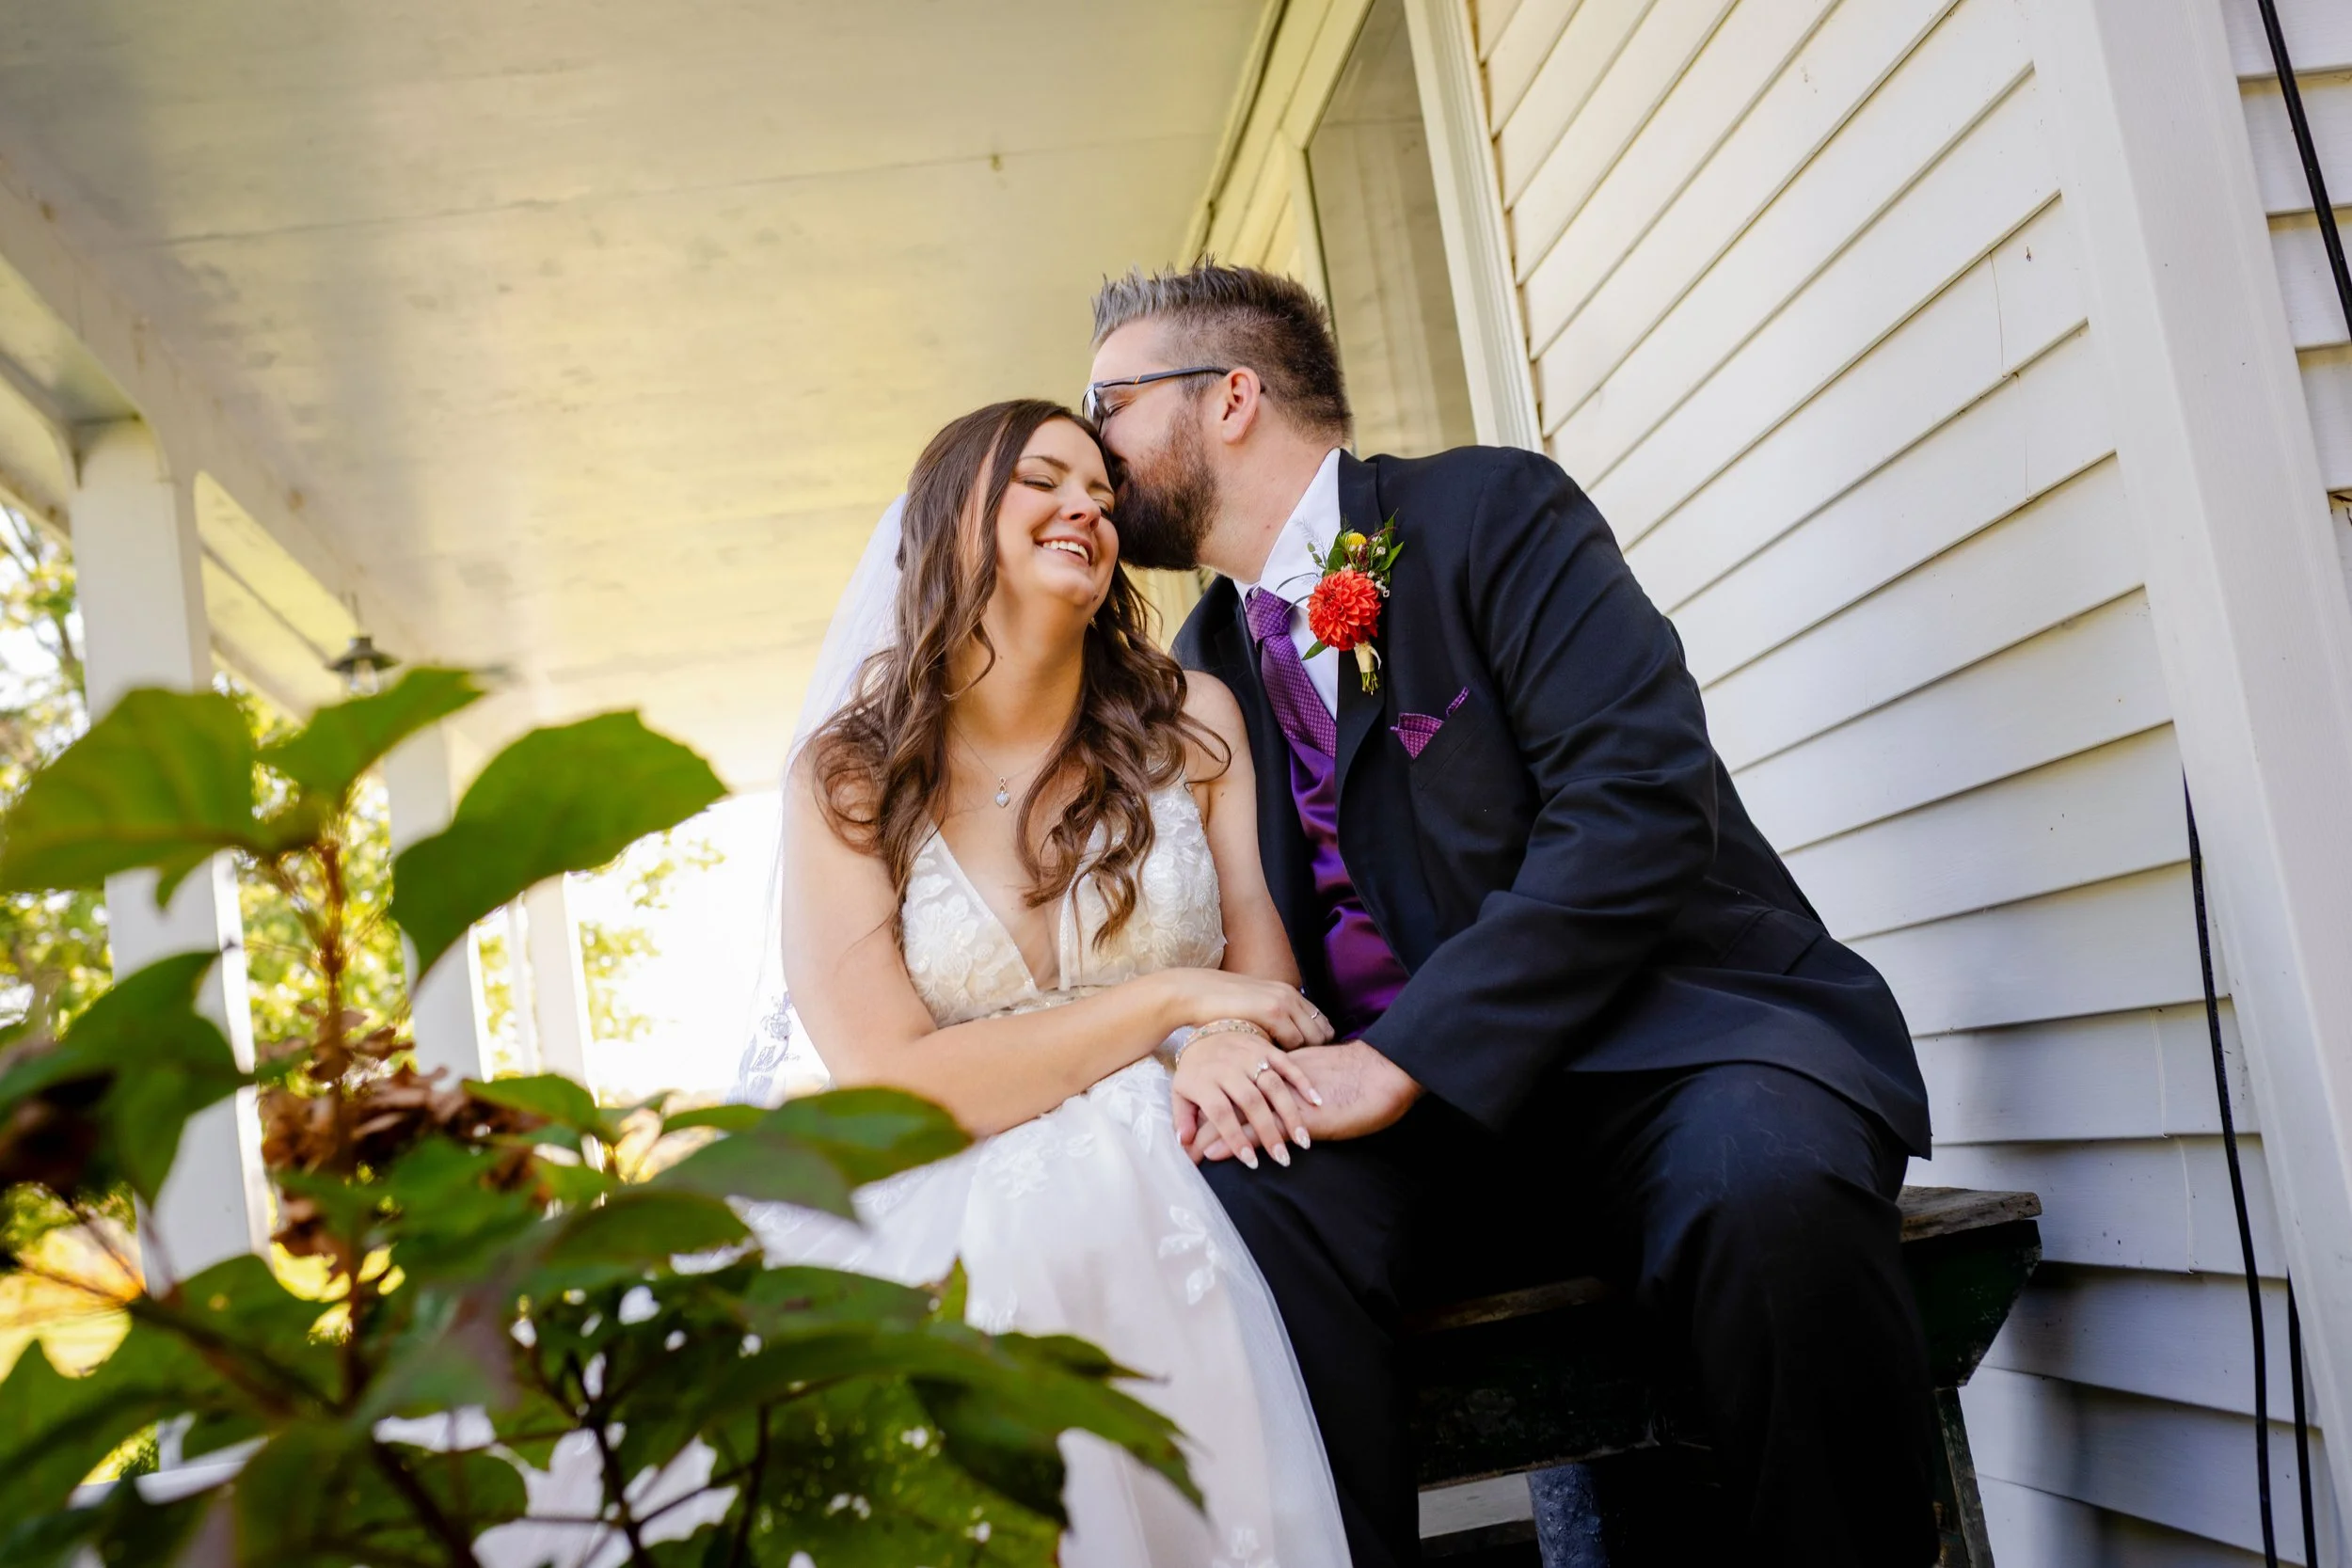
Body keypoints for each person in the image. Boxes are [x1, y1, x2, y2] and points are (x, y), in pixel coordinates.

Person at [1086, 262, 1940, 1568]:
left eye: (1112, 402)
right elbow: (1201, 941)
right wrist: (1215, 1042)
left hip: (1666, 1055)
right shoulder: (1197, 674)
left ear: (1232, 398)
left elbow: (1639, 805)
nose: (1092, 449)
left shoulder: (1490, 512)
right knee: (1234, 1221)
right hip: (1415, 1141)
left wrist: (1403, 1052)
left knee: (1766, 1185)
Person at [755, 399, 1355, 1566]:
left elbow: (1256, 959)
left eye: (1099, 490)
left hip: (1181, 1148)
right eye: (1040, 479)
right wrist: (1172, 1004)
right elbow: (892, 1084)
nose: (1085, 504)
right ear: (948, 526)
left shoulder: (1192, 723)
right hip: (941, 1185)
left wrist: (1229, 1038)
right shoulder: (849, 778)